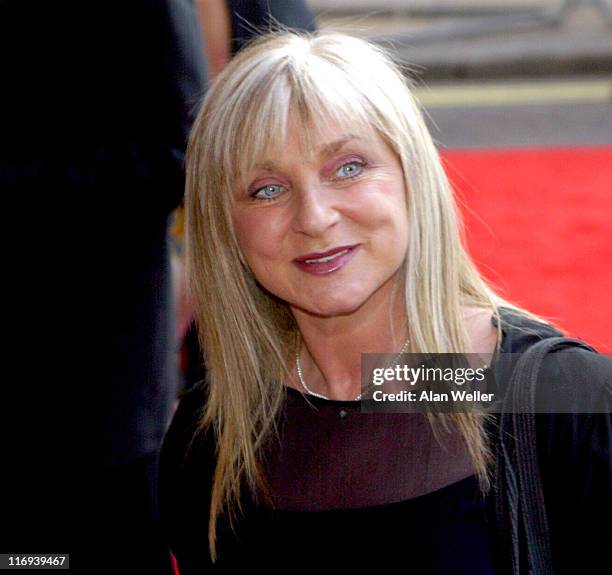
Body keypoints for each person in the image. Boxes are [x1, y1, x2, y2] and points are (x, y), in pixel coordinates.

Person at [158, 31, 611, 573]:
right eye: (267, 189)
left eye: (348, 167)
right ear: (225, 227)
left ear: (412, 177)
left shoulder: (560, 401)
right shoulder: (210, 439)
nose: (314, 217)